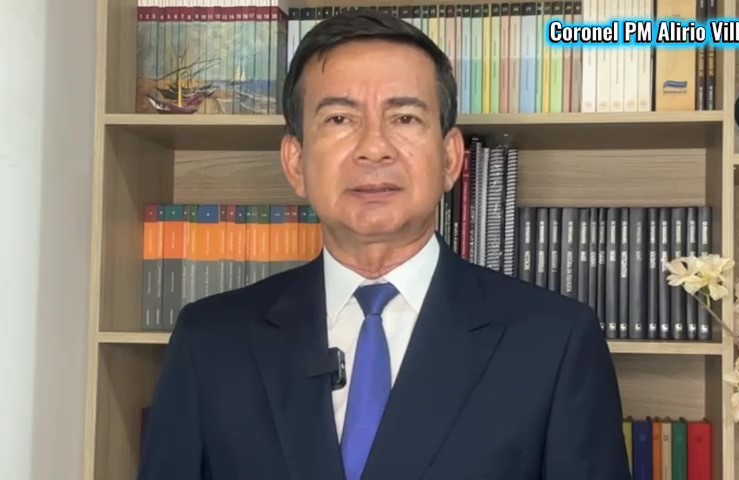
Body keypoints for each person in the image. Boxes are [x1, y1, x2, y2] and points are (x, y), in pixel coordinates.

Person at [137, 9, 631, 480]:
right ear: (295, 162)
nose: (374, 148)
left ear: (450, 158)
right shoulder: (210, 341)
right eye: (339, 119)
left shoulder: (555, 342)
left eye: (405, 118)